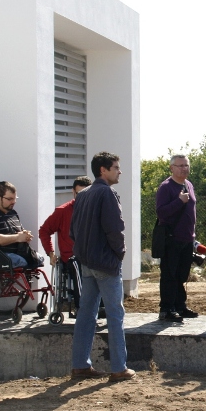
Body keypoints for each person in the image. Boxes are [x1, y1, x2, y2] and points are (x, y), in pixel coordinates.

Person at [69, 152, 135, 381]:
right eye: (116, 167)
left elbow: (72, 230)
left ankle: (80, 365)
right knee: (115, 314)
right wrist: (119, 254)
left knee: (86, 313)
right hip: (105, 263)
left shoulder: (83, 194)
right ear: (103, 170)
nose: (120, 171)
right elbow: (115, 229)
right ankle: (119, 368)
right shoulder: (107, 193)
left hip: (86, 263)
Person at [38, 176, 92, 311]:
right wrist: (50, 253)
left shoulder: (96, 210)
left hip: (92, 254)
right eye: (79, 194)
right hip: (73, 257)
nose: (82, 198)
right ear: (73, 192)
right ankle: (83, 309)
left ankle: (103, 307)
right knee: (79, 265)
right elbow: (44, 230)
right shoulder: (63, 211)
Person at [155, 154, 198, 322]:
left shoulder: (189, 184)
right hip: (171, 238)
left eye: (186, 165)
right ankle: (166, 309)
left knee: (181, 275)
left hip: (187, 239)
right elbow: (161, 212)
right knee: (169, 274)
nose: (184, 168)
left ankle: (180, 306)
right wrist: (179, 202)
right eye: (180, 166)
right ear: (171, 168)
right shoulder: (166, 187)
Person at [0, 181, 43, 268]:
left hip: (20, 252)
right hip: (2, 255)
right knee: (21, 261)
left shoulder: (13, 213)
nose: (14, 202)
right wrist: (18, 237)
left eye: (15, 198)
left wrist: (25, 235)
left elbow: (20, 234)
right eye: (10, 199)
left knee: (40, 259)